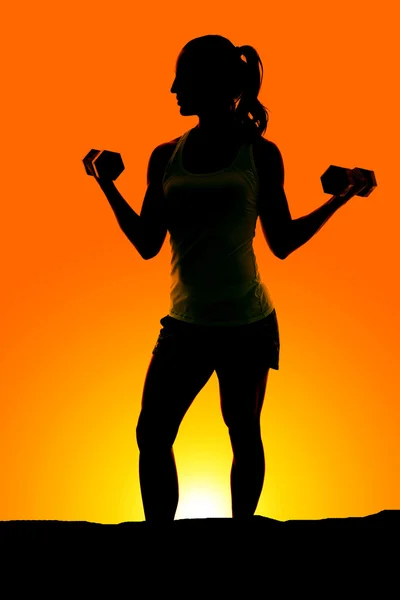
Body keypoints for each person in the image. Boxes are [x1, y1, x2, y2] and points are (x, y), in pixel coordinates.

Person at [94, 35, 359, 523]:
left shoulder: (260, 155)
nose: (173, 87)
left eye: (183, 77)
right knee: (151, 434)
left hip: (247, 324)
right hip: (186, 325)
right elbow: (147, 242)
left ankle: (243, 533)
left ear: (214, 83)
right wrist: (105, 183)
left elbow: (282, 241)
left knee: (242, 431)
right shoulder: (164, 156)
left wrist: (339, 199)